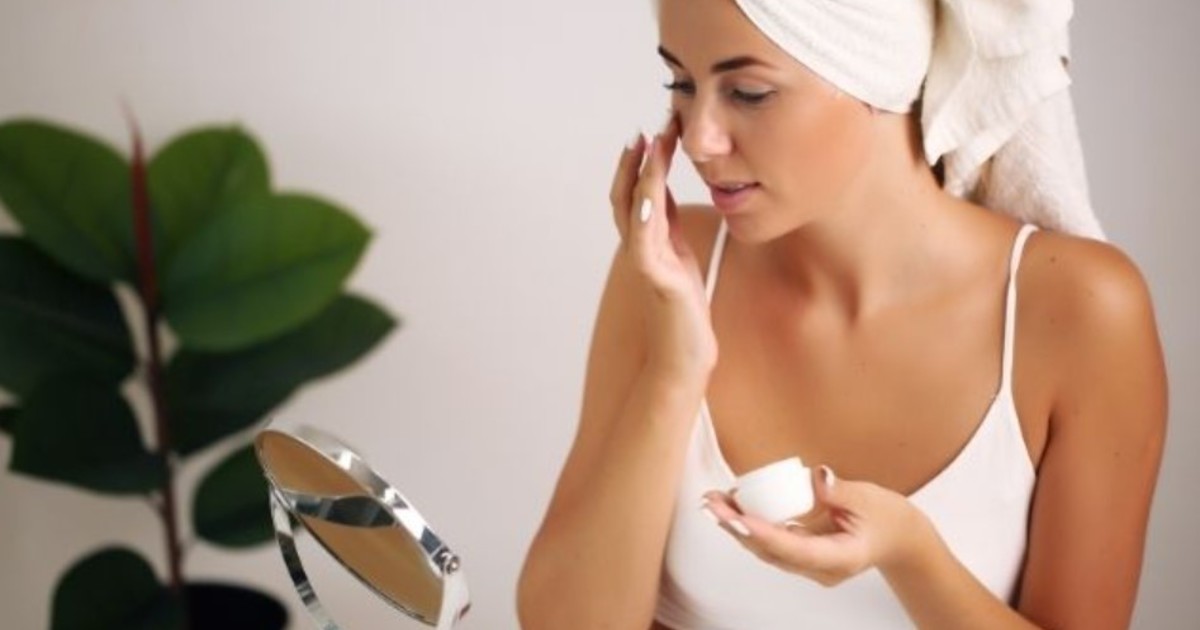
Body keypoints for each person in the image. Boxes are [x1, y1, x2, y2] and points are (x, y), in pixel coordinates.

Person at [517, 0, 1167, 628]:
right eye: (681, 83)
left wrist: (911, 555)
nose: (699, 140)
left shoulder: (1081, 310)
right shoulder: (670, 268)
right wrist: (676, 370)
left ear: (875, 73)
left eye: (748, 92)